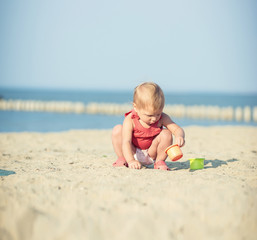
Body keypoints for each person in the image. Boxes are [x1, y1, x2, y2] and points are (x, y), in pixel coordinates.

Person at [112, 82, 185, 170]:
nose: (154, 119)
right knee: (118, 129)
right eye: (149, 115)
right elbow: (126, 142)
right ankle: (122, 158)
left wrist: (179, 136)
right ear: (136, 107)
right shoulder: (130, 119)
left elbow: (177, 129)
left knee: (166, 133)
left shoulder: (162, 117)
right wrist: (131, 160)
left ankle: (159, 161)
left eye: (158, 114)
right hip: (132, 152)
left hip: (151, 153)